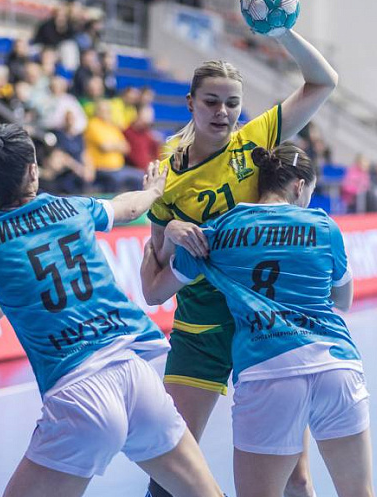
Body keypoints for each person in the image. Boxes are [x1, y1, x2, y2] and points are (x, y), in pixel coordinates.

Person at [0, 123, 224, 497]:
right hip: (135, 375)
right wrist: (154, 191)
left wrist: (15, 287)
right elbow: (129, 207)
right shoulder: (72, 207)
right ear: (33, 170)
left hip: (77, 393)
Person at [141, 25, 339, 497]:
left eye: (232, 103)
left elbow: (323, 82)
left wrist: (281, 33)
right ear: (190, 102)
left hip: (265, 326)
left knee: (296, 478)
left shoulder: (254, 140)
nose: (223, 112)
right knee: (172, 466)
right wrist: (171, 230)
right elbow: (152, 284)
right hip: (201, 329)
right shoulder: (166, 177)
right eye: (211, 101)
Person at [141, 143, 374, 497]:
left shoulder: (217, 231)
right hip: (336, 366)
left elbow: (154, 292)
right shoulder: (323, 226)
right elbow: (344, 300)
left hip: (268, 370)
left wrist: (158, 235)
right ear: (299, 186)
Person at [83, 99, 143, 193]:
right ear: (97, 111)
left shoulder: (113, 127)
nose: (107, 113)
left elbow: (126, 148)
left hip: (118, 168)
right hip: (101, 169)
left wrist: (112, 145)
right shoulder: (93, 124)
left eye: (108, 110)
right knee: (116, 179)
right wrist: (117, 146)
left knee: (141, 176)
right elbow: (105, 147)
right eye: (103, 110)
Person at [124, 105, 161, 171]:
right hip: (132, 169)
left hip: (146, 169)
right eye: (146, 116)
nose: (149, 119)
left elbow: (156, 155)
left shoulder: (149, 135)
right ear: (137, 115)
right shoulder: (127, 132)